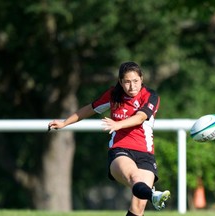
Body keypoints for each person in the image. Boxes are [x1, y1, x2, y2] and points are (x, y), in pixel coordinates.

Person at [48, 61, 170, 216]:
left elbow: (140, 117)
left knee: (138, 206)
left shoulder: (150, 96)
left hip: (146, 154)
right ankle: (153, 195)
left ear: (142, 79)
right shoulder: (114, 95)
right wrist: (65, 122)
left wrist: (118, 125)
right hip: (120, 150)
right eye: (127, 82)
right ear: (120, 81)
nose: (132, 86)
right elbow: (90, 108)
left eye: (135, 81)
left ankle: (152, 195)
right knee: (135, 177)